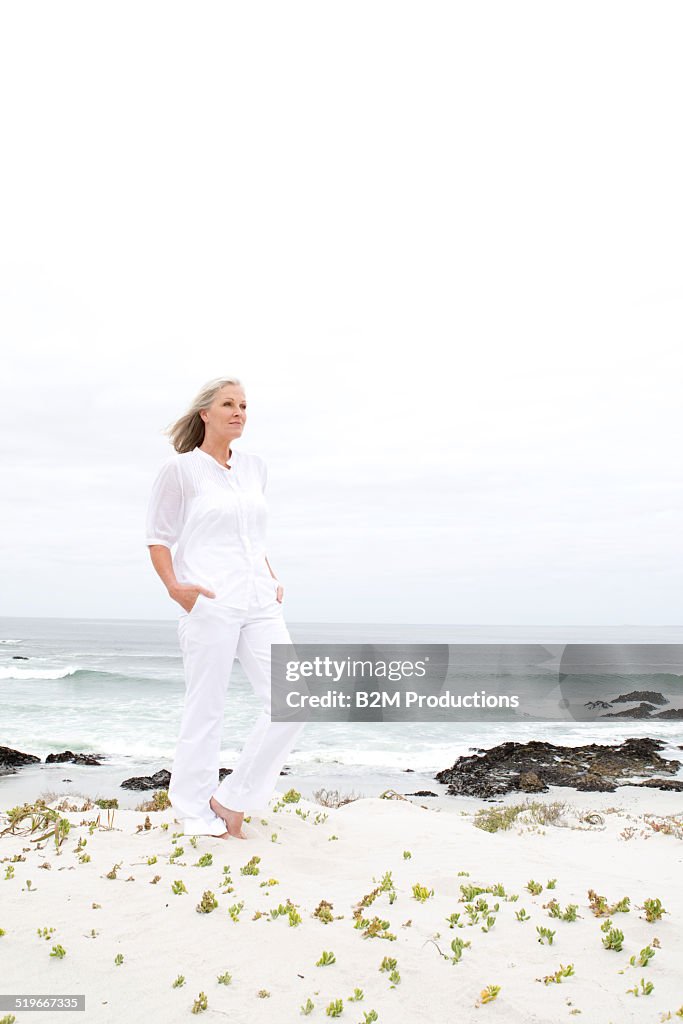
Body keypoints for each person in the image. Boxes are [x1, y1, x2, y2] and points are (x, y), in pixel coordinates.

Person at [145, 376, 304, 839]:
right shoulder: (180, 471)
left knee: (294, 701)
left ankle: (230, 799)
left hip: (260, 602)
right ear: (205, 414)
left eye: (244, 405)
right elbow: (158, 538)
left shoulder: (256, 468)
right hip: (210, 602)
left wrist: (270, 575)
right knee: (206, 708)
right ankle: (194, 810)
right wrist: (177, 588)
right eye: (228, 404)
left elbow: (252, 535)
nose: (239, 412)